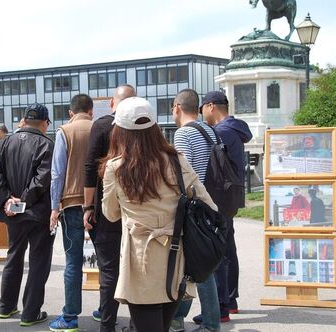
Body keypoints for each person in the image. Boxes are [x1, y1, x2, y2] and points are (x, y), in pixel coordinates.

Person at [101, 96, 217, 332]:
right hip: (175, 260)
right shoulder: (176, 160)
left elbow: (110, 214)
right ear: (154, 127)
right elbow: (209, 206)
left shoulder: (116, 168)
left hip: (139, 261)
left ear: (120, 132)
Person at [0, 103, 54, 326]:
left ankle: (6, 306)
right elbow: (43, 179)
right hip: (38, 211)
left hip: (13, 211)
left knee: (14, 255)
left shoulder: (5, 142)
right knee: (39, 261)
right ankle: (30, 312)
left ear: (24, 120)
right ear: (45, 122)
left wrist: (8, 200)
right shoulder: (46, 144)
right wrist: (23, 201)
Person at [83, 84, 136, 332]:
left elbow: (90, 167)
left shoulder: (103, 126)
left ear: (113, 104)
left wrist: (87, 206)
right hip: (137, 208)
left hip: (106, 207)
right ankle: (138, 323)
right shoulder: (145, 128)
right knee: (137, 268)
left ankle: (107, 325)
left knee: (109, 271)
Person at [170, 89, 221, 332]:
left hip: (194, 207)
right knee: (201, 265)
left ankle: (185, 320)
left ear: (177, 107)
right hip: (211, 206)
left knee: (192, 267)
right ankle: (195, 320)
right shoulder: (210, 131)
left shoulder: (183, 134)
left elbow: (184, 174)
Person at [200, 90, 253, 324]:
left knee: (218, 251)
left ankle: (221, 306)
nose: (202, 113)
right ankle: (230, 301)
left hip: (219, 196)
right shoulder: (236, 130)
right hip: (232, 196)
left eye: (203, 108)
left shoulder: (220, 132)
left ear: (211, 106)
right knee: (228, 246)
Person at [49, 94, 94, 331]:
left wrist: (54, 206)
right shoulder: (100, 129)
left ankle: (70, 317)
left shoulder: (64, 132)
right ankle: (106, 310)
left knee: (73, 261)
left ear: (70, 112)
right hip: (99, 203)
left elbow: (57, 173)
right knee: (108, 262)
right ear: (91, 110)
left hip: (72, 203)